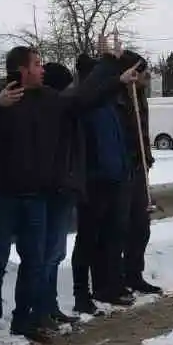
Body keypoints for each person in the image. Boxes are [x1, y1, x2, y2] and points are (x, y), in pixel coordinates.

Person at [0, 46, 137, 344]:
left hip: (35, 195)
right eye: (37, 64)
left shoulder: (48, 99)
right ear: (22, 69)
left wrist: (117, 80)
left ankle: (25, 320)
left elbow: (83, 100)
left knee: (34, 261)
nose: (42, 68)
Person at [75, 49, 139, 311]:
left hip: (115, 177)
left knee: (113, 237)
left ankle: (108, 286)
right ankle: (82, 293)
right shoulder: (85, 105)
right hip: (94, 180)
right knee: (88, 239)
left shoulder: (111, 106)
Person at [39, 61, 81, 326]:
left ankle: (49, 304)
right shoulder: (56, 110)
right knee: (49, 253)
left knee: (54, 253)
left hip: (62, 187)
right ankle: (43, 306)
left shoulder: (59, 109)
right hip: (56, 188)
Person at [117, 59, 162, 296]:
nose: (147, 76)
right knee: (124, 226)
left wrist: (147, 157)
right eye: (143, 71)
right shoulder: (119, 99)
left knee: (142, 226)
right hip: (125, 169)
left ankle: (135, 274)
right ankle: (119, 276)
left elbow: (143, 131)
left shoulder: (141, 97)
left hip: (140, 168)